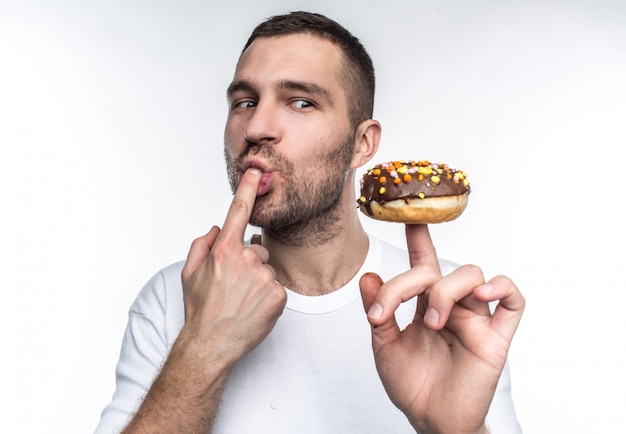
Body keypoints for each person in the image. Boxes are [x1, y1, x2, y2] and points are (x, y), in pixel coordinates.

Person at [95, 11, 525, 434]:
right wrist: (203, 347)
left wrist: (456, 431)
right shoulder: (175, 297)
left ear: (362, 144)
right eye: (245, 102)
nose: (257, 127)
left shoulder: (444, 303)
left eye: (301, 102)